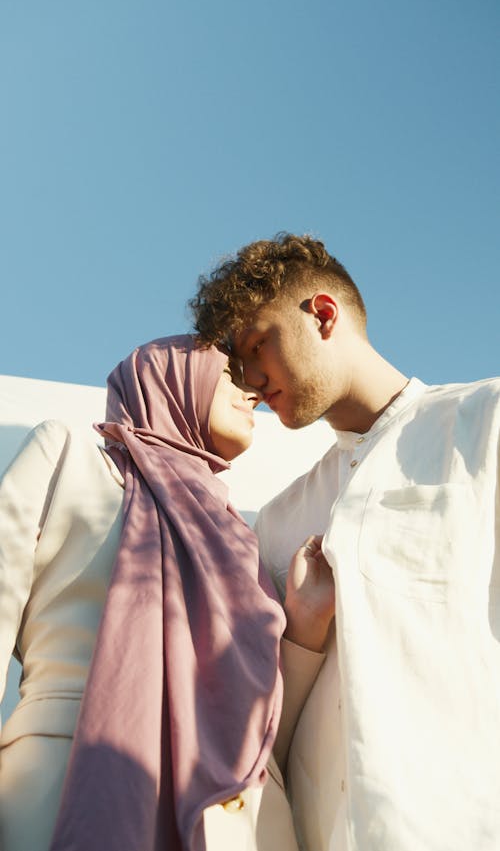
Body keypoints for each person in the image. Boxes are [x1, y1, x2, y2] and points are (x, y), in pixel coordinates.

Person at [190, 233, 500, 851]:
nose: (250, 381)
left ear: (323, 315)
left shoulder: (483, 424)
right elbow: (256, 729)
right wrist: (300, 636)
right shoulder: (275, 523)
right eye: (237, 367)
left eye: (256, 347)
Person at [0, 334, 303, 851]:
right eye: (232, 373)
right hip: (72, 774)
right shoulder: (70, 457)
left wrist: (310, 632)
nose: (253, 391)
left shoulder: (240, 535)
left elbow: (266, 707)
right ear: (171, 375)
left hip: (242, 818)